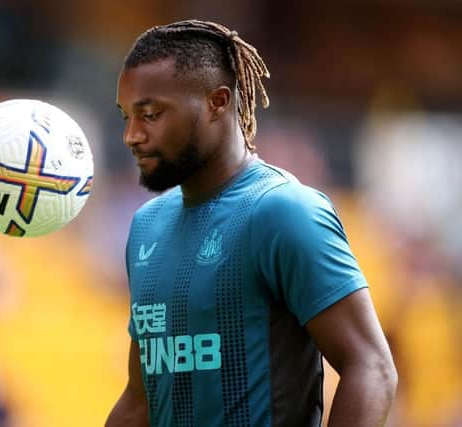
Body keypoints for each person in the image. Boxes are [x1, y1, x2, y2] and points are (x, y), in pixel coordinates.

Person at [106, 20, 397, 427]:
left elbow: (370, 366)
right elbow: (141, 399)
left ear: (217, 102)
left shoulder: (283, 211)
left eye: (151, 114)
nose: (131, 135)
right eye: (126, 116)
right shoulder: (145, 226)